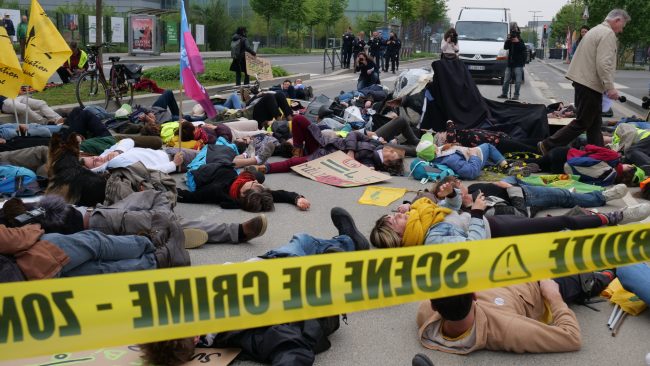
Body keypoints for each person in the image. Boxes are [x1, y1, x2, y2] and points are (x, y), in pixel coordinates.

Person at [138, 208, 368, 366]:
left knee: (303, 243)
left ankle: (342, 249)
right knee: (302, 241)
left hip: (269, 265)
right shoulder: (242, 328)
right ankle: (346, 247)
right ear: (197, 337)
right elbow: (291, 349)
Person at [370, 185, 650, 248]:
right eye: (392, 221)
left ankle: (609, 216)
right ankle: (617, 217)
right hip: (497, 232)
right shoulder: (430, 240)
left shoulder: (427, 218)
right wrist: (477, 213)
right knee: (559, 224)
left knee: (557, 223)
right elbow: (471, 249)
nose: (395, 214)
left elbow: (453, 213)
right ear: (399, 236)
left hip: (496, 223)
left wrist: (456, 196)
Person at [417, 273, 613, 354]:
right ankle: (611, 272)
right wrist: (553, 296)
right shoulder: (507, 328)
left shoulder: (426, 312)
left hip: (511, 270)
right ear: (475, 295)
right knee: (588, 276)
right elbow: (571, 338)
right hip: (540, 285)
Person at [539, 9, 630, 153]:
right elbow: (603, 63)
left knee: (594, 124)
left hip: (584, 82)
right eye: (623, 25)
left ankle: (599, 152)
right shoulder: (607, 34)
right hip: (590, 84)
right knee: (583, 122)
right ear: (617, 20)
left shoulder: (595, 30)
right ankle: (548, 144)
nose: (622, 30)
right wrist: (610, 87)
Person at [246, 115, 405, 176]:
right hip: (325, 142)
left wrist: (366, 170)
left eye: (393, 154)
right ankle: (297, 149)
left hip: (325, 158)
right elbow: (353, 134)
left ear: (387, 162)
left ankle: (265, 168)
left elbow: (358, 173)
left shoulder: (372, 164)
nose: (391, 149)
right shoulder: (375, 144)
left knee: (295, 164)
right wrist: (351, 150)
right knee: (299, 119)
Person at [497, 23, 526, 100]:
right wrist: (507, 40)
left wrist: (518, 42)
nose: (513, 35)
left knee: (518, 81)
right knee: (506, 80)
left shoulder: (520, 40)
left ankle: (516, 95)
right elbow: (505, 47)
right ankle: (504, 94)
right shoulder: (510, 40)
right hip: (510, 63)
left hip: (518, 63)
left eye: (515, 33)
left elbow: (523, 49)